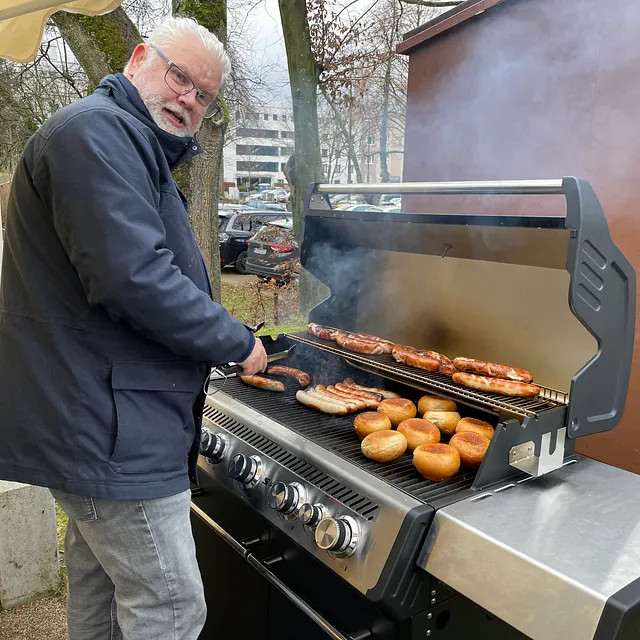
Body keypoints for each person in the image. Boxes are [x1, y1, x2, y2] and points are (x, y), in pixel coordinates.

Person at [0, 15, 267, 640]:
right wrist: (238, 342)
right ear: (140, 57)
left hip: (103, 415)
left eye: (205, 96)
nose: (189, 101)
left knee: (101, 586)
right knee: (170, 606)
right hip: (107, 426)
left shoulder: (124, 142)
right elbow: (134, 279)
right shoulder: (96, 135)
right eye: (181, 78)